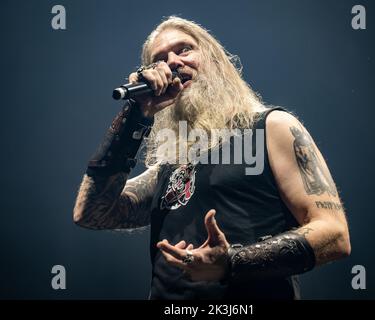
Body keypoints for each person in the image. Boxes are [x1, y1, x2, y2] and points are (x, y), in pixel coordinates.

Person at [73, 16, 351, 300]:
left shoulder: (271, 127)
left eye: (184, 50)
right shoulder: (170, 165)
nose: (172, 62)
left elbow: (334, 233)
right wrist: (135, 116)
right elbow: (92, 213)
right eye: (159, 59)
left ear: (215, 60)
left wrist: (231, 263)